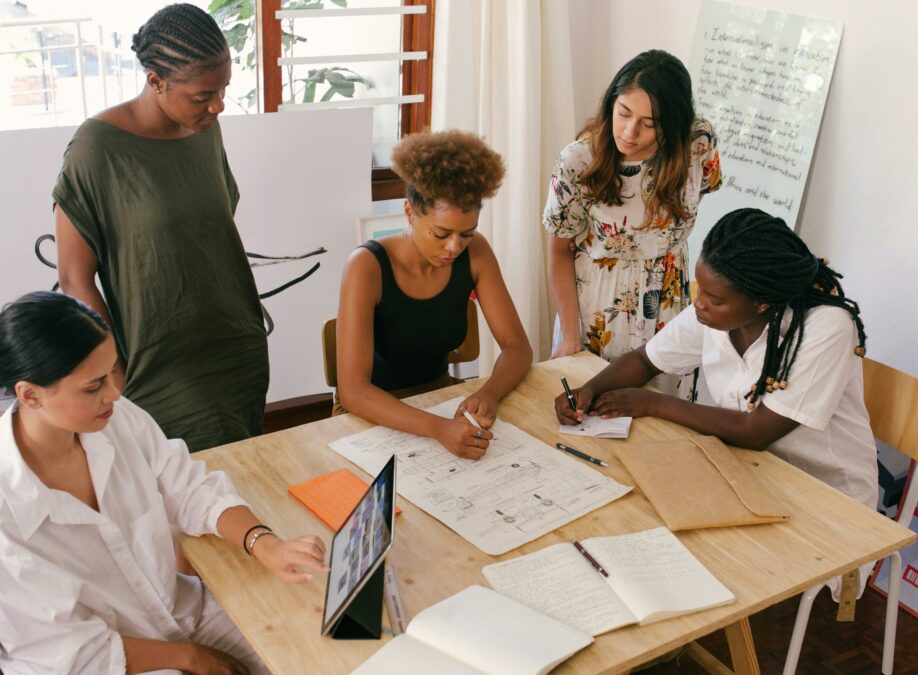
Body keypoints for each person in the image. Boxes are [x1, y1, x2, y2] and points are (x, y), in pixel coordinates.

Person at [0, 291, 327, 674]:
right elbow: (68, 651)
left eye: (112, 372)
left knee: (310, 645)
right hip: (98, 663)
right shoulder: (7, 511)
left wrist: (266, 544)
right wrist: (192, 657)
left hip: (181, 612)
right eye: (93, 386)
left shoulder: (114, 417)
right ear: (30, 395)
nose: (114, 393)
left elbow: (190, 490)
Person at [555, 208, 878, 514]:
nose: (699, 304)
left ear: (762, 303)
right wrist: (589, 390)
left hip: (828, 497)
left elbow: (755, 432)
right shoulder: (713, 314)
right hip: (752, 473)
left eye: (715, 299)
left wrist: (652, 403)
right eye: (702, 291)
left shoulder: (826, 327)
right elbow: (645, 360)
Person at [53, 3, 268, 452]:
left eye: (224, 89)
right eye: (202, 96)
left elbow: (211, 230)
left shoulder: (204, 128)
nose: (218, 105)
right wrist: (113, 369)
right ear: (156, 81)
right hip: (158, 363)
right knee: (180, 478)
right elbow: (74, 278)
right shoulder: (97, 148)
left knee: (243, 471)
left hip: (236, 345)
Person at [336, 130, 532, 459]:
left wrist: (489, 393)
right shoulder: (366, 266)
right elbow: (353, 391)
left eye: (466, 234)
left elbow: (517, 347)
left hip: (440, 400)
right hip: (371, 414)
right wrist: (439, 429)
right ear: (410, 212)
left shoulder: (476, 252)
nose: (454, 247)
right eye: (441, 234)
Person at [545, 49, 722, 379]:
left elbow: (697, 195)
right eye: (623, 113)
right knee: (592, 402)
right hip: (599, 308)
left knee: (664, 406)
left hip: (669, 302)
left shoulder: (698, 143)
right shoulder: (577, 161)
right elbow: (558, 252)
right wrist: (570, 336)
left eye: (649, 124)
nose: (629, 131)